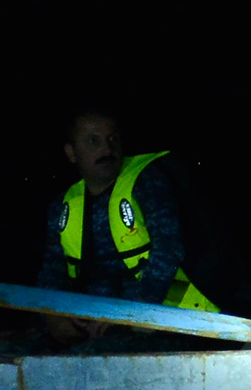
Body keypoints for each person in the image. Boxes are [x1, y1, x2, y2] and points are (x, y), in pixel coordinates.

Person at [47, 108, 218, 320]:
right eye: (93, 141)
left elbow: (169, 248)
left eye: (113, 138)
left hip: (164, 317)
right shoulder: (63, 205)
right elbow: (52, 268)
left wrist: (133, 312)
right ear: (71, 153)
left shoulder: (147, 183)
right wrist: (53, 317)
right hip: (91, 316)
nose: (107, 149)